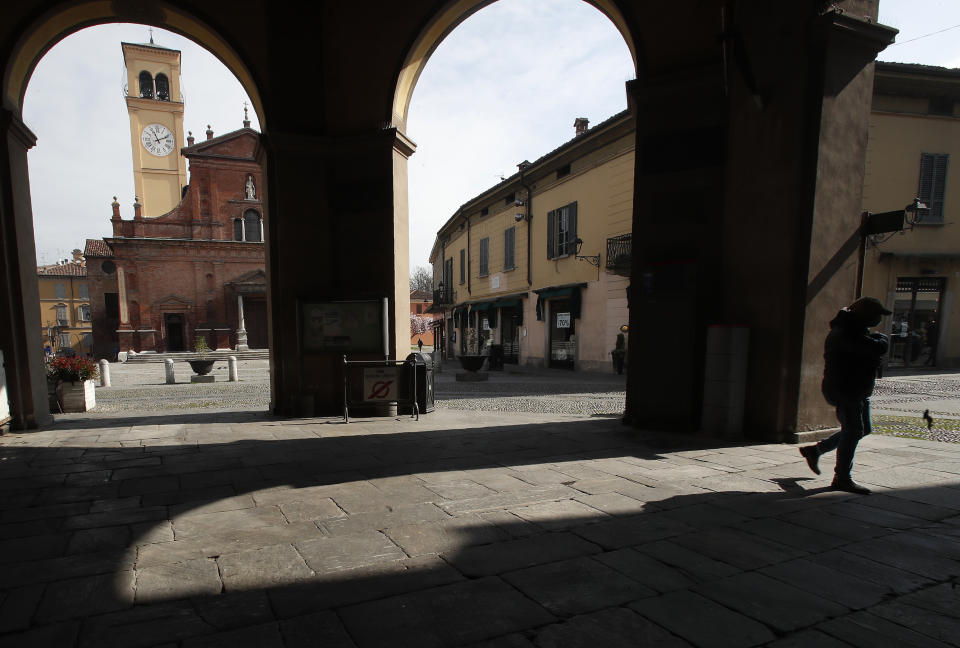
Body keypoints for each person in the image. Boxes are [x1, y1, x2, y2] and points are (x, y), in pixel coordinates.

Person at [799, 296, 890, 494]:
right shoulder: (845, 333)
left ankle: (816, 450)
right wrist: (882, 340)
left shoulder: (854, 331)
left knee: (861, 429)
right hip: (847, 389)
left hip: (857, 389)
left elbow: (872, 349)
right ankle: (842, 478)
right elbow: (877, 347)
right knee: (854, 430)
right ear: (864, 316)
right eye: (876, 315)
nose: (878, 320)